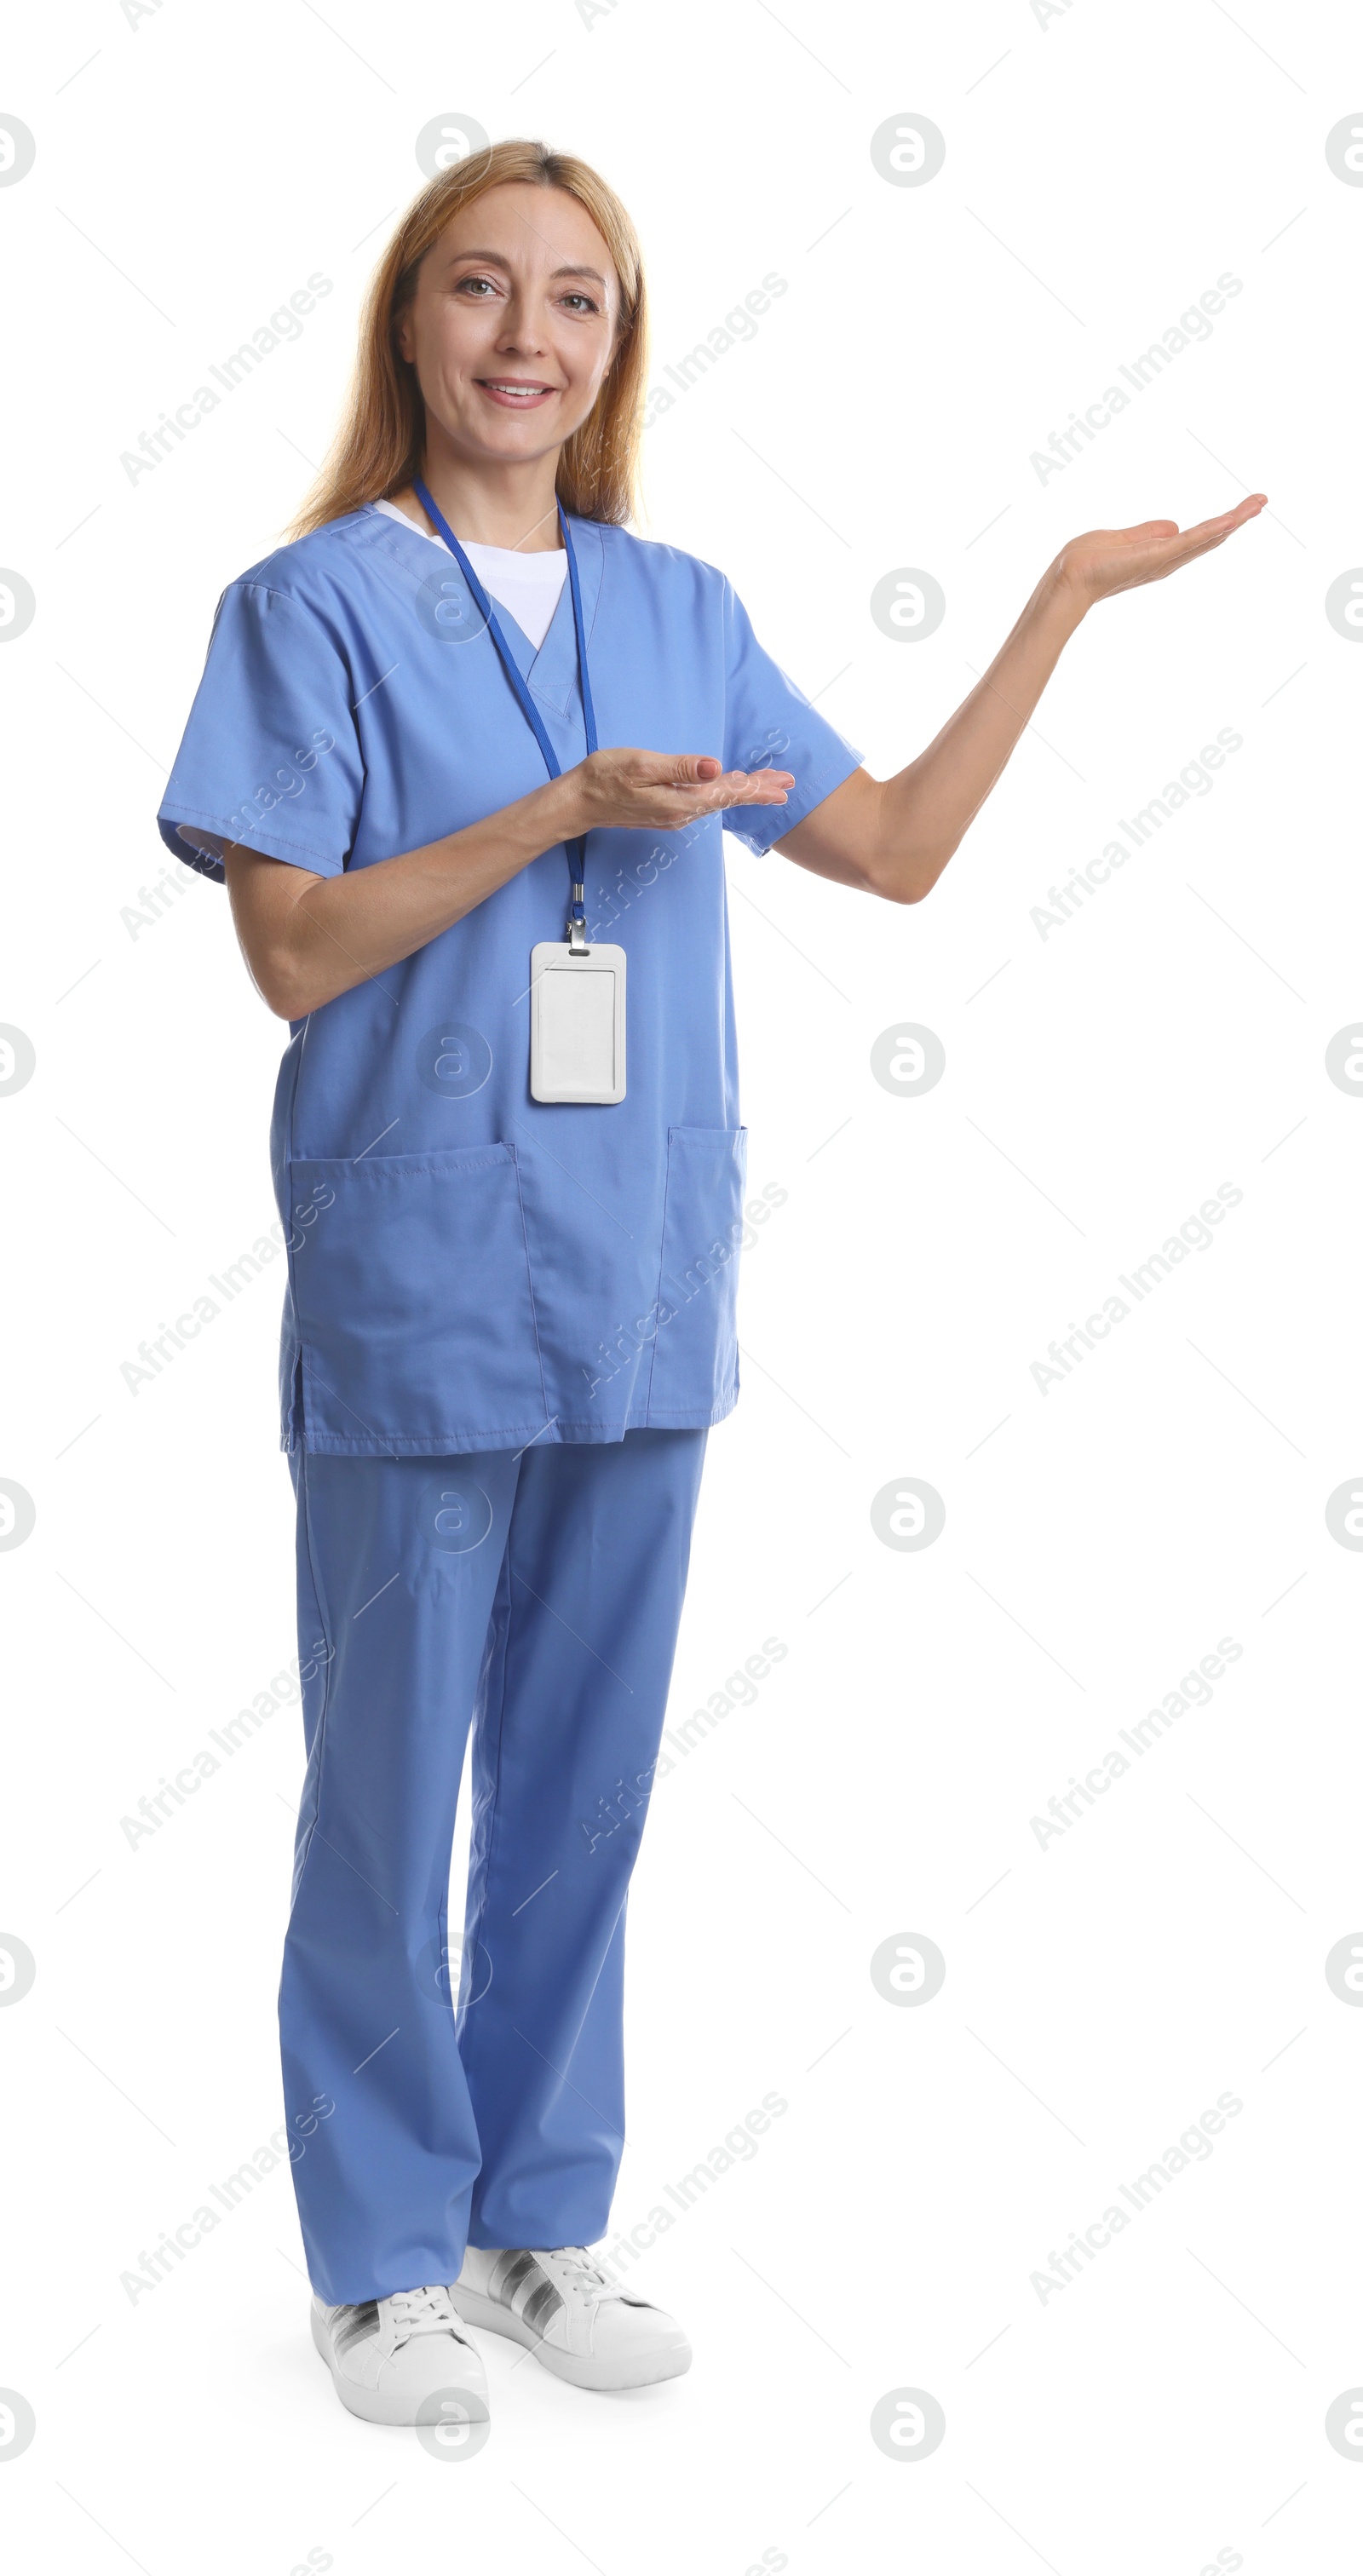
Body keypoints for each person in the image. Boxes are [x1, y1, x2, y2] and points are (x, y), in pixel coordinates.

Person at [156, 137, 1263, 2431]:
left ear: (618, 348)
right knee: (386, 1783)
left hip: (639, 1281)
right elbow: (290, 952)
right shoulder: (311, 609)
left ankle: (536, 2222)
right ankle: (381, 2260)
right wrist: (556, 820)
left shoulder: (680, 603)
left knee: (583, 1787)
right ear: (409, 326)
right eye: (481, 292)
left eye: (576, 301)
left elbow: (895, 851)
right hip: (423, 1278)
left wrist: (1058, 595)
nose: (527, 341)